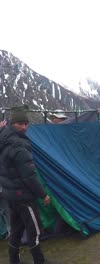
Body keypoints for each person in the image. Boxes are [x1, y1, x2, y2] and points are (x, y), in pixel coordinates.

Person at [0, 105, 51, 264]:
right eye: (20, 123)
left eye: (25, 123)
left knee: (16, 229)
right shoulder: (19, 145)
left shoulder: (3, 138)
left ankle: (13, 260)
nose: (24, 127)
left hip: (10, 195)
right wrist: (43, 194)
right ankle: (39, 261)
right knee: (34, 231)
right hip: (23, 196)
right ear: (12, 123)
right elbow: (29, 176)